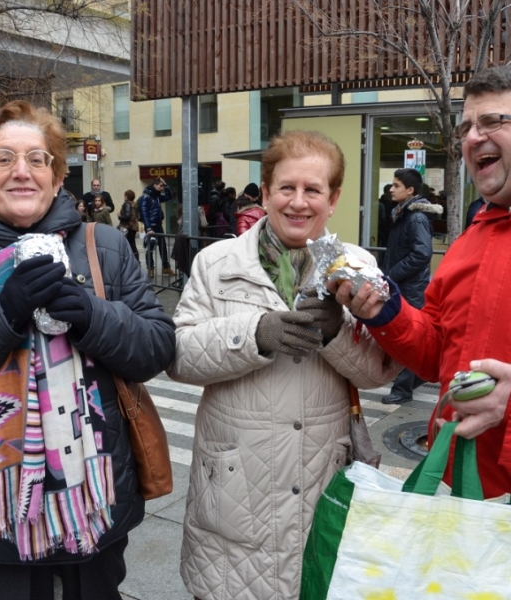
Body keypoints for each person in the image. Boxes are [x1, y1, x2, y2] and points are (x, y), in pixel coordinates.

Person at [328, 65, 511, 598]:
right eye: (464, 127)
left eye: (492, 121)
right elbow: (439, 356)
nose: (473, 138)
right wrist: (383, 313)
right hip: (459, 520)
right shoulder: (467, 242)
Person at [167, 130, 401, 600]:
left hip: (321, 474)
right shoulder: (216, 263)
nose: (298, 202)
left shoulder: (358, 266)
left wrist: (337, 335)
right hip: (235, 490)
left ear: (333, 199)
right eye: (286, 188)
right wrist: (254, 334)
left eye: (313, 190)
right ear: (267, 191)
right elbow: (178, 357)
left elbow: (380, 372)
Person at [0, 100, 176, 600]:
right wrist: (4, 311)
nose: (22, 172)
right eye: (3, 159)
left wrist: (89, 315)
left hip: (95, 504)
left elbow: (156, 347)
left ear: (58, 178)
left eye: (38, 159)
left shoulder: (103, 245)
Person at [380, 168, 443, 404]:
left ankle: (403, 389)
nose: (391, 189)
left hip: (411, 289)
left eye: (396, 185)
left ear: (410, 190)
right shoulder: (403, 213)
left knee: (410, 339)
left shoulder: (414, 217)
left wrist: (392, 274)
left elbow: (422, 253)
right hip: (405, 286)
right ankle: (409, 382)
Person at [137, 177, 176, 277]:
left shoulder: (157, 196)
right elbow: (144, 213)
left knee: (163, 247)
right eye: (160, 186)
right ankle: (150, 269)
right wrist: (148, 228)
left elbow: (169, 196)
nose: (162, 188)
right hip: (151, 226)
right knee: (150, 247)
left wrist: (166, 186)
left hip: (158, 224)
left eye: (163, 186)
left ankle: (166, 267)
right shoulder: (146, 197)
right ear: (154, 185)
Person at [118, 189, 140, 262]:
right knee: (132, 244)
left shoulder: (127, 204)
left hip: (128, 227)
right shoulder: (134, 204)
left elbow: (127, 216)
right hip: (133, 227)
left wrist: (119, 216)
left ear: (126, 196)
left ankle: (133, 261)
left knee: (129, 244)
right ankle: (136, 260)